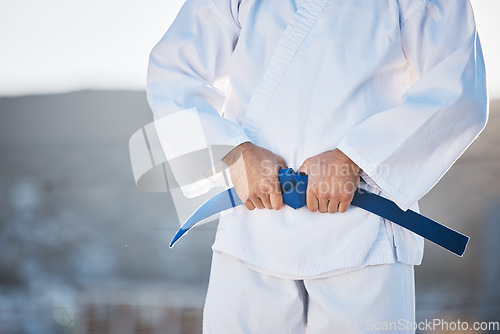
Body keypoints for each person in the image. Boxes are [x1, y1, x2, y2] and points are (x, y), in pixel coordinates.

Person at [146, 0, 488, 332]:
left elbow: (459, 87)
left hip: (364, 237)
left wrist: (355, 158)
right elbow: (174, 72)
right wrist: (234, 152)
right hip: (251, 228)